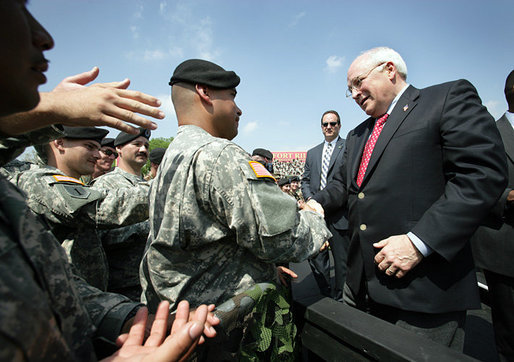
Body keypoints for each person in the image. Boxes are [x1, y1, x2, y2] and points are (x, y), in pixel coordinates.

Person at [0, 1, 217, 360]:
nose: (45, 36)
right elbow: (104, 209)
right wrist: (180, 185)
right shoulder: (42, 182)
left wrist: (127, 317)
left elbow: (57, 287)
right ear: (57, 144)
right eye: (17, 8)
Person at [312, 47, 507, 350]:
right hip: (359, 286)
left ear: (389, 69)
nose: (353, 94)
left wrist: (419, 241)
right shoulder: (357, 134)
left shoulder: (445, 99)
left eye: (358, 82)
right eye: (349, 89)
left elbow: (481, 174)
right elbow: (342, 186)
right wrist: (316, 203)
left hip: (422, 290)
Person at [141, 58, 330, 312]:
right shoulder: (219, 155)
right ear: (205, 92)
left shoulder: (172, 156)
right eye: (232, 96)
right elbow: (281, 238)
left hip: (181, 317)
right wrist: (315, 218)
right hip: (225, 327)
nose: (239, 110)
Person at [10, 126, 150, 290]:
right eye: (90, 147)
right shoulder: (38, 181)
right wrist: (165, 186)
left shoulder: (76, 186)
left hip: (89, 297)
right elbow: (99, 208)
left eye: (98, 149)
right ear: (60, 143)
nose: (97, 155)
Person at [471, 69, 514, 361]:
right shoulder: (488, 133)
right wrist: (507, 197)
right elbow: (471, 182)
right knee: (510, 333)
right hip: (505, 248)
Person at [92, 127, 152, 300]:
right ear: (119, 149)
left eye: (146, 146)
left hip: (152, 282)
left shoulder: (148, 183)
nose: (143, 149)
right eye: (137, 144)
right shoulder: (105, 184)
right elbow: (99, 233)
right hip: (123, 287)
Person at [302, 110, 349, 301]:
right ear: (321, 127)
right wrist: (313, 201)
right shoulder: (312, 153)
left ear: (339, 125)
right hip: (316, 214)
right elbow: (304, 180)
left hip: (339, 214)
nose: (329, 127)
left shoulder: (348, 147)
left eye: (333, 123)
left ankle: (341, 298)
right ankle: (326, 295)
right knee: (317, 259)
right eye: (325, 124)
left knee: (341, 262)